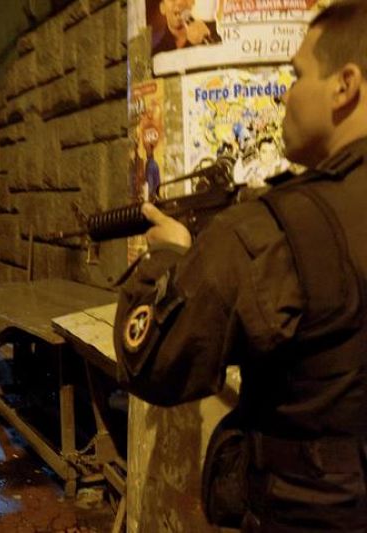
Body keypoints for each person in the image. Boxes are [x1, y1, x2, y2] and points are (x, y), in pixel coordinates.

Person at [114, 2, 367, 530]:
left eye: (297, 76)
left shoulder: (271, 230)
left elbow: (157, 363)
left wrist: (167, 255)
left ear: (344, 86)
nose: (283, 93)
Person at [151, 0, 221, 55]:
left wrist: (207, 42)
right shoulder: (157, 53)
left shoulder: (216, 32)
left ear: (193, 2)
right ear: (162, 7)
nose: (180, 2)